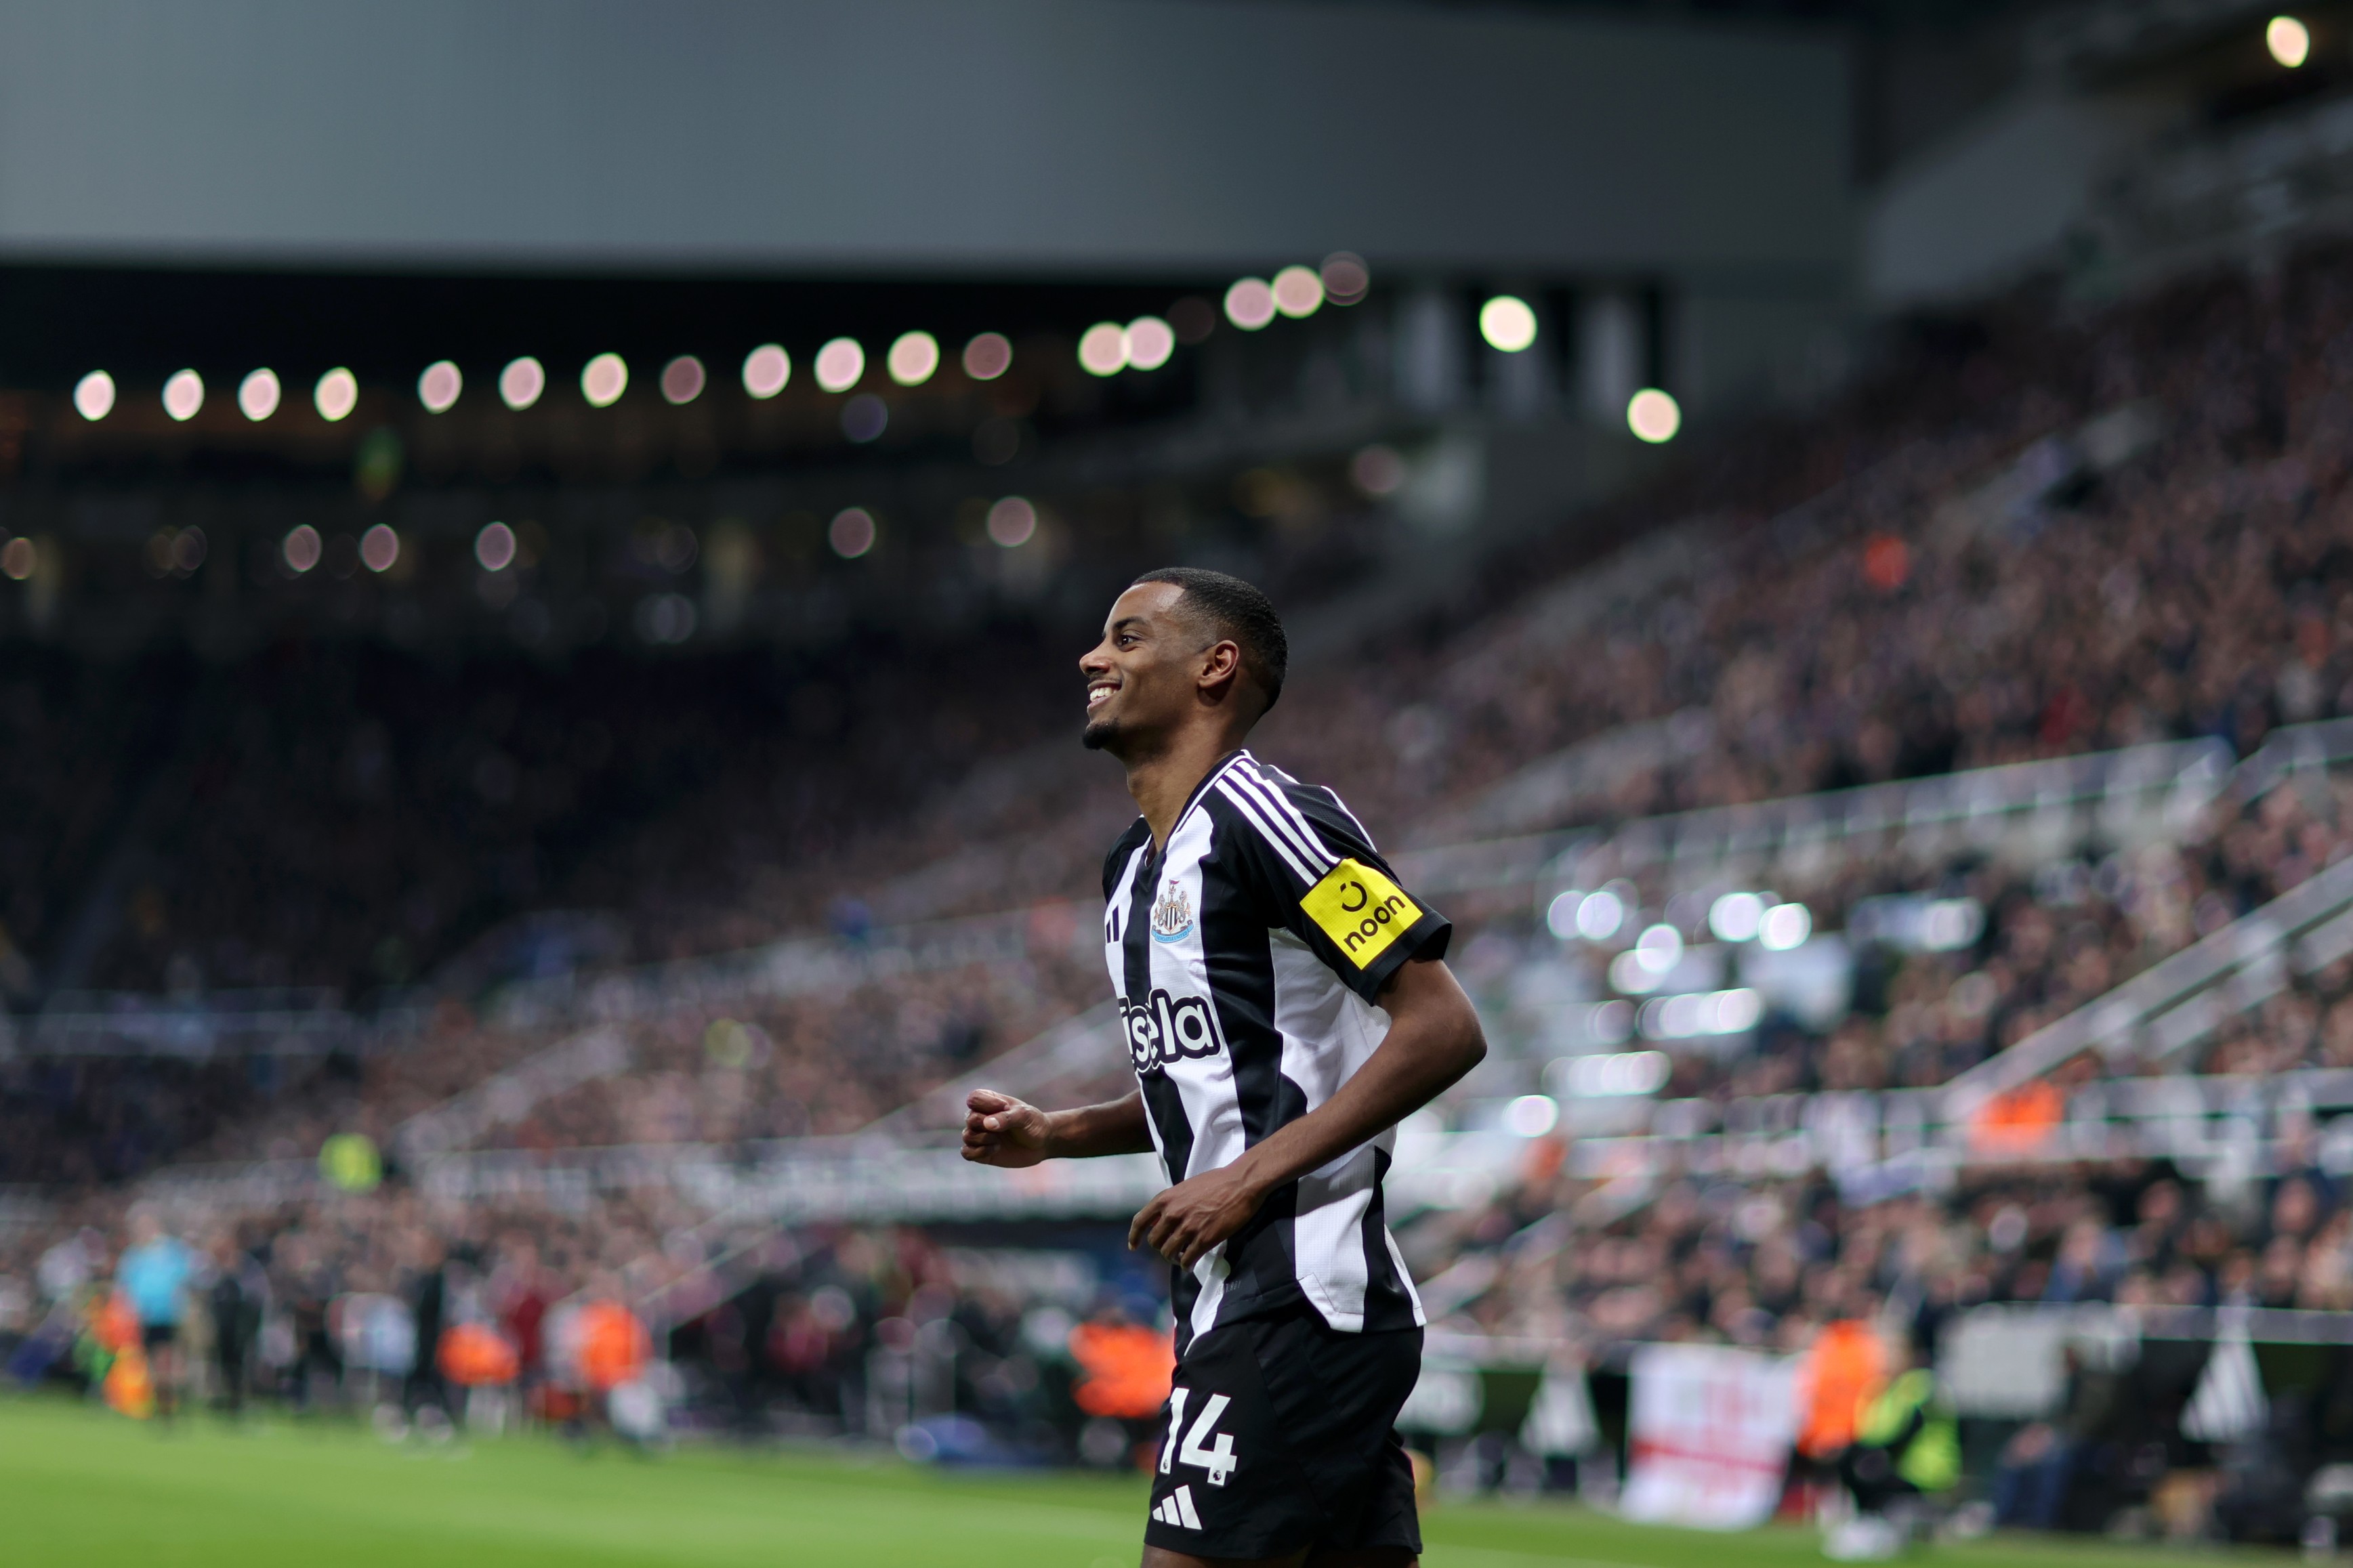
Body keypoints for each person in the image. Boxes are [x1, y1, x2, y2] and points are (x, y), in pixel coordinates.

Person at [963, 568, 1487, 1568]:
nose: (1092, 656)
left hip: (1303, 1296)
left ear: (1215, 665)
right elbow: (1211, 1077)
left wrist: (1245, 1179)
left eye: (1126, 637)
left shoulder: (1271, 817)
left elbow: (1441, 1025)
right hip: (1227, 1303)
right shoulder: (1129, 868)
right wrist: (1056, 1132)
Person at [116, 1211, 194, 1420]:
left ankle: (169, 1402)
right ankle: (162, 1402)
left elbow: (185, 1279)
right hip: (145, 1317)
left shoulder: (171, 1252)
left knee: (166, 1360)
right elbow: (126, 1286)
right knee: (152, 1363)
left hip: (168, 1315)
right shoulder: (134, 1256)